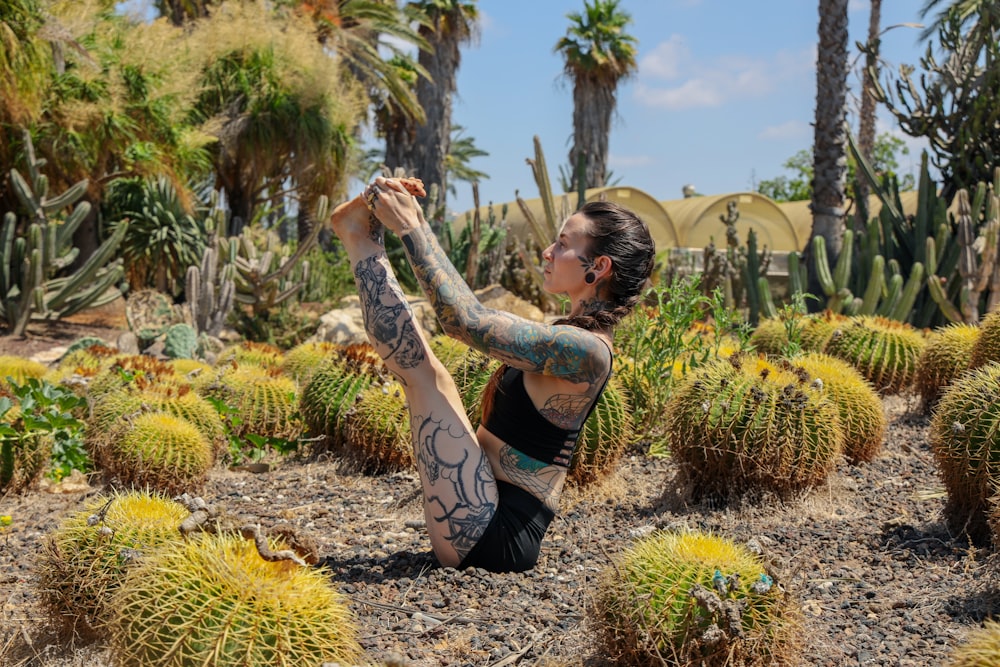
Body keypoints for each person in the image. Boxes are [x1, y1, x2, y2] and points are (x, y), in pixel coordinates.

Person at [329, 177, 656, 573]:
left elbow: (465, 321)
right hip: (482, 502)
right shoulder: (572, 336)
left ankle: (361, 239)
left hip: (494, 535)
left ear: (600, 267)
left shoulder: (588, 352)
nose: (548, 251)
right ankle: (362, 238)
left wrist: (413, 227)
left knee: (425, 377)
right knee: (430, 374)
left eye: (564, 244)